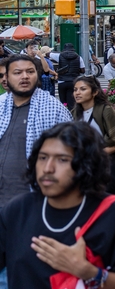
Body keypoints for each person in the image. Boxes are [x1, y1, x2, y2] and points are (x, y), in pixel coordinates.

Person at [0, 121, 115, 289]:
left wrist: (86, 271)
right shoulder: (17, 210)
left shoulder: (113, 213)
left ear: (86, 165)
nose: (48, 168)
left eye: (62, 159)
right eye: (42, 158)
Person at [0, 54, 72, 205]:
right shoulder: (1, 106)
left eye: (30, 72)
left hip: (35, 203)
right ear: (6, 77)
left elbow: (73, 155)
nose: (25, 76)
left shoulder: (54, 109)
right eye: (18, 72)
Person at [72, 76, 115, 195]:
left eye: (83, 89)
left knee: (103, 207)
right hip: (84, 170)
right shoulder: (75, 113)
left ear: (95, 92)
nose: (77, 93)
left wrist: (95, 154)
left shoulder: (106, 110)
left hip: (104, 169)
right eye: (75, 89)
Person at [55, 43, 85, 110]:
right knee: (72, 101)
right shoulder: (79, 57)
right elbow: (83, 70)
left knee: (63, 101)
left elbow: (48, 54)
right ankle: (72, 116)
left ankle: (63, 115)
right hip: (73, 81)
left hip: (62, 81)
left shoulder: (59, 56)